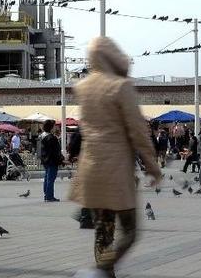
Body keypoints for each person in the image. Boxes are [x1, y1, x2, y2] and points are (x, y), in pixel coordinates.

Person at [69, 37, 161, 278]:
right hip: (117, 171)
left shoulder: (83, 87)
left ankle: (103, 273)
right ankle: (99, 272)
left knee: (103, 231)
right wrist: (153, 166)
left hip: (90, 168)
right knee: (130, 231)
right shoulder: (121, 87)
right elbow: (138, 131)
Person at [39, 120, 64, 202]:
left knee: (47, 178)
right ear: (51, 127)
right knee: (50, 179)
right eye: (54, 126)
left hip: (45, 160)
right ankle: (49, 196)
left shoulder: (41, 136)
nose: (55, 128)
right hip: (52, 161)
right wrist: (61, 160)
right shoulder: (52, 138)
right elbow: (55, 152)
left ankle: (47, 195)